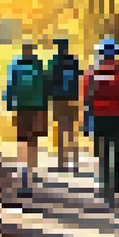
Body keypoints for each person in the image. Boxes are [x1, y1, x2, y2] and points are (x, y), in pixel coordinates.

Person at [81, 38, 119, 208]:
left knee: (102, 152)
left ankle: (103, 186)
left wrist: (86, 119)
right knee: (116, 151)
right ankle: (114, 185)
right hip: (116, 115)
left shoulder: (92, 71)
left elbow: (86, 96)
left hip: (98, 115)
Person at [3, 41, 49, 198]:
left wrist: (10, 105)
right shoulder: (38, 65)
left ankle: (23, 172)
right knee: (33, 138)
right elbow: (44, 86)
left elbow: (10, 86)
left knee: (22, 139)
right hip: (36, 106)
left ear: (23, 51)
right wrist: (44, 107)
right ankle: (32, 169)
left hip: (21, 106)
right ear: (32, 51)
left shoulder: (16, 65)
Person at [46, 37, 84, 173]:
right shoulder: (74, 61)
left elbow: (48, 79)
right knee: (72, 132)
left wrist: (48, 97)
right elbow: (80, 77)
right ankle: (74, 163)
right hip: (72, 99)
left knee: (61, 131)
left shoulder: (54, 62)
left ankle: (62, 163)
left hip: (58, 99)